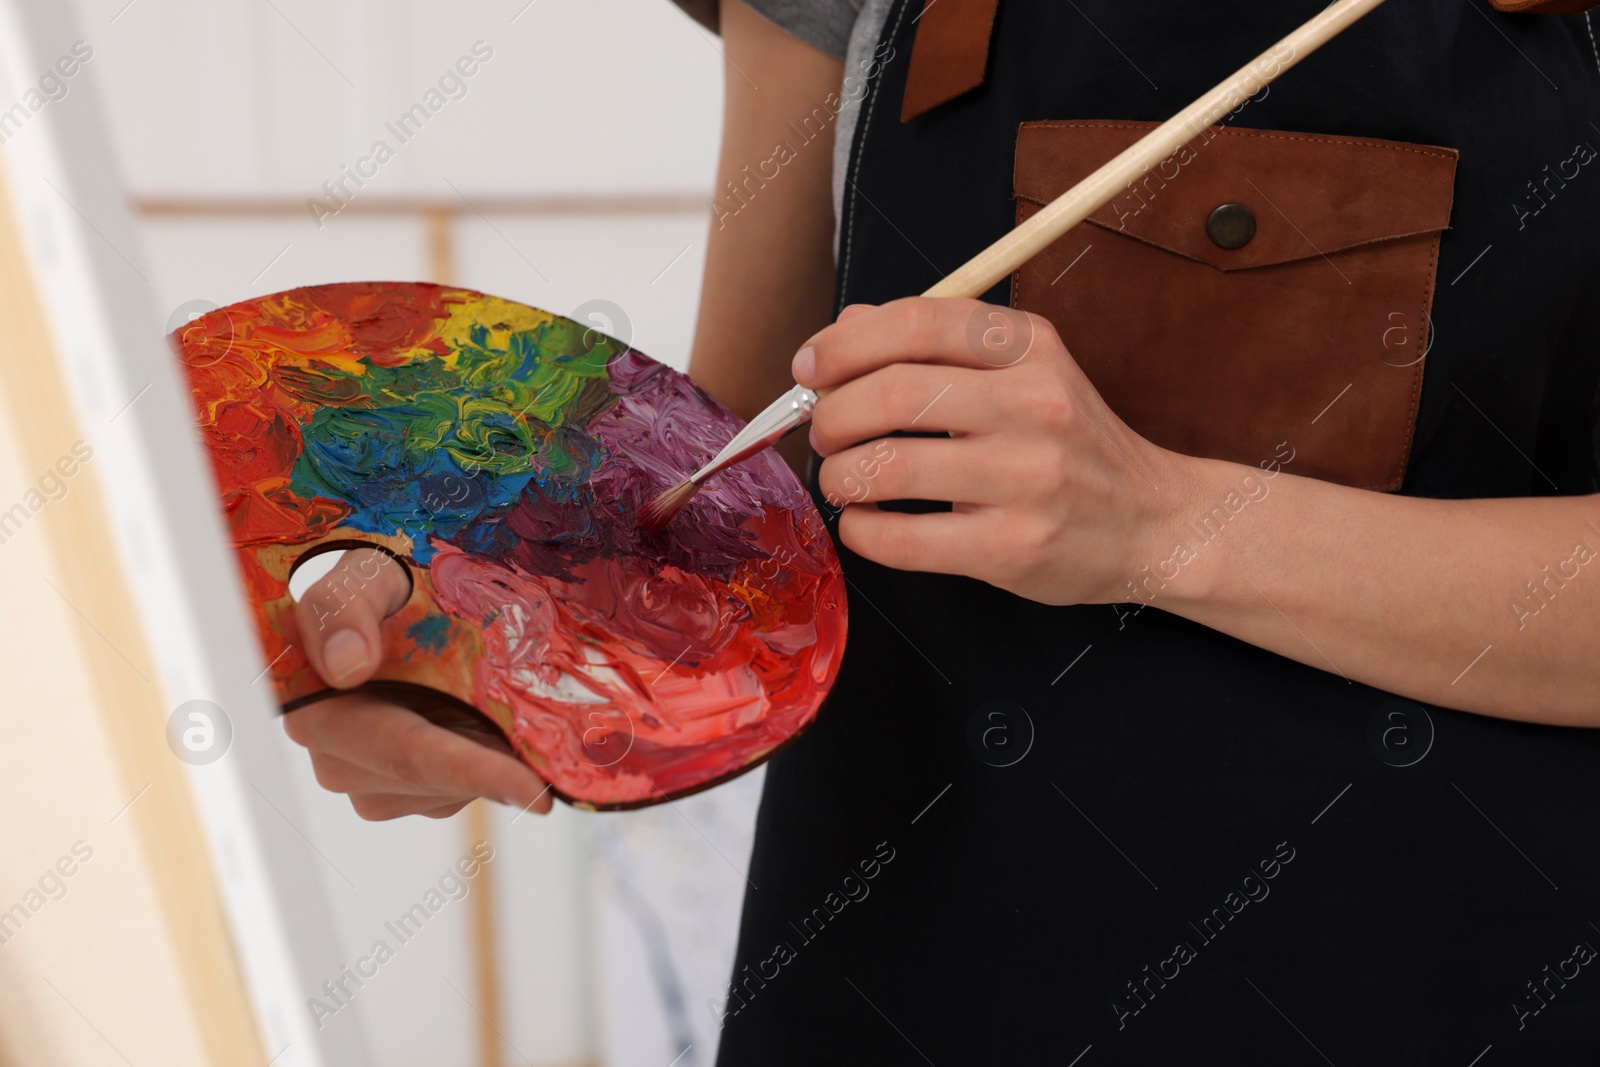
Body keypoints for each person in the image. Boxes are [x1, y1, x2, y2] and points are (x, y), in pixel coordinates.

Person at [285, 0, 1600, 1061]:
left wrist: (1166, 525)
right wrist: (490, 609)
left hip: (1435, 985)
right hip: (899, 974)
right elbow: (730, 469)